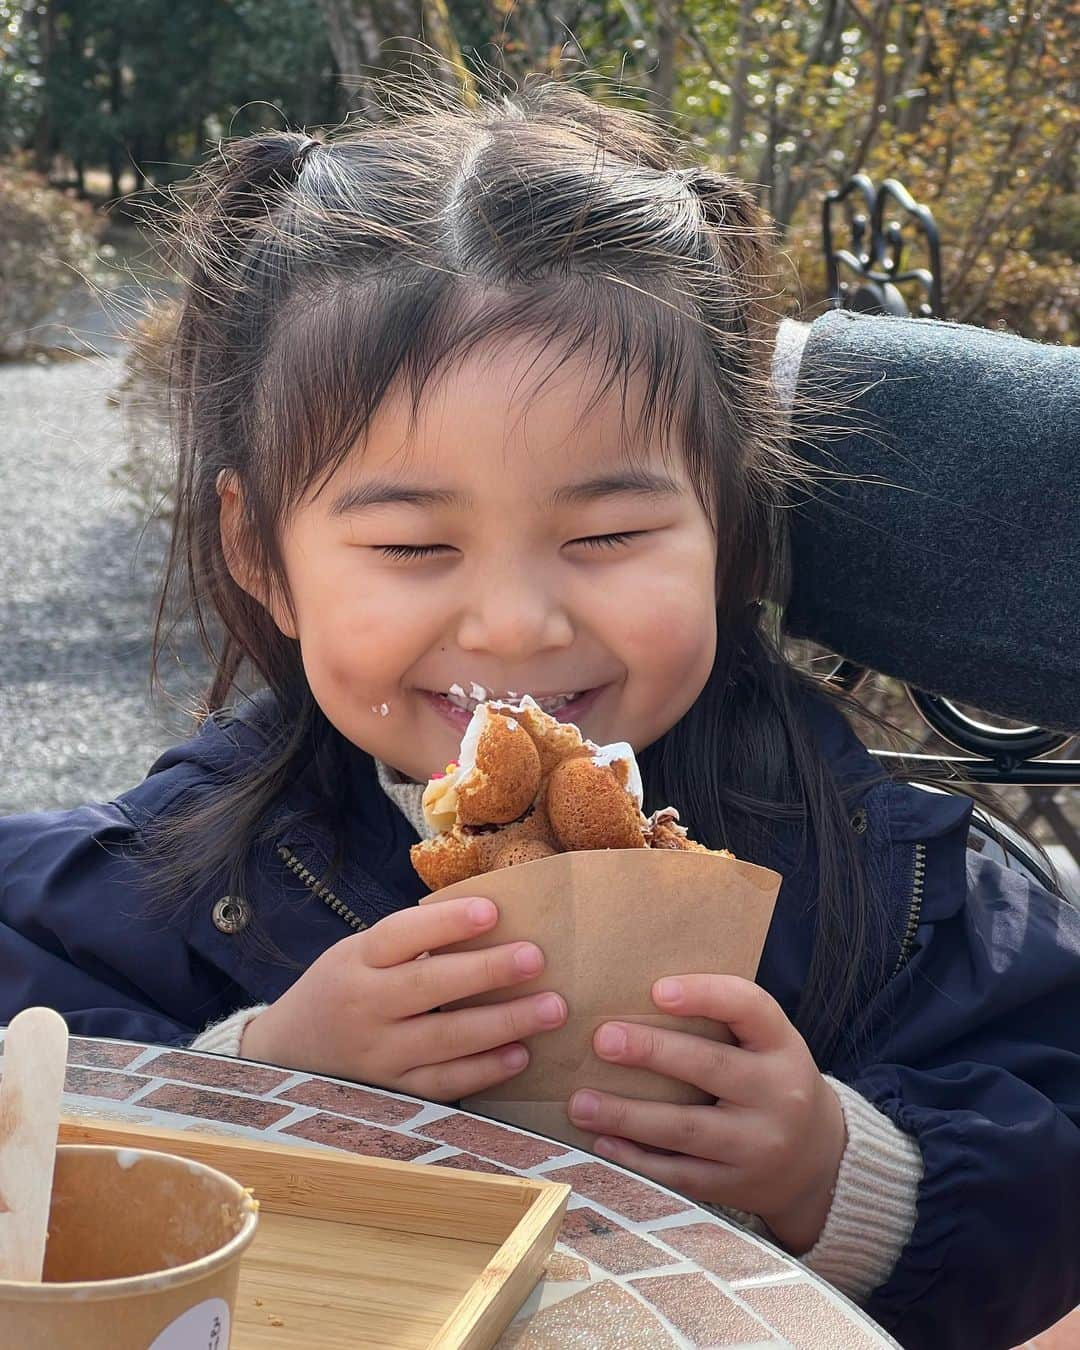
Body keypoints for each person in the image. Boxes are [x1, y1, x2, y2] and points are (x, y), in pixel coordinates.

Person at [1, 79, 1077, 1350]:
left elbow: (1049, 1147)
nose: (515, 625)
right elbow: (39, 1106)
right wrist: (258, 1071)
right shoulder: (180, 871)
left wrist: (843, 1173)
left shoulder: (885, 880)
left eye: (609, 533)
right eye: (411, 546)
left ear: (726, 523)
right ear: (262, 555)